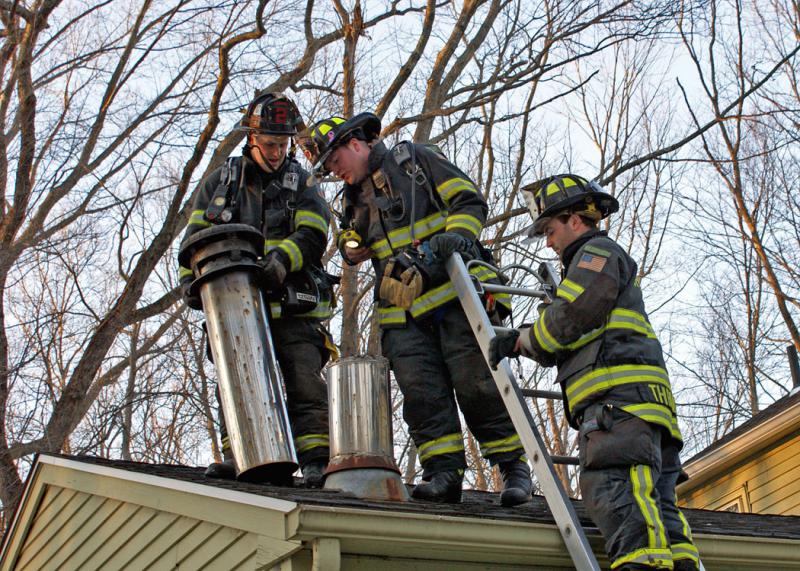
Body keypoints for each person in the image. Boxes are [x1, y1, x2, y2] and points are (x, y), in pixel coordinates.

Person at [299, 112, 533, 506]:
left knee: (479, 389)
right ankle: (443, 474)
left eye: (335, 162)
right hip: (401, 316)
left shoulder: (416, 161)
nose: (334, 173)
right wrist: (350, 245)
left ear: (354, 144)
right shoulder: (353, 199)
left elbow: (469, 200)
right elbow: (354, 238)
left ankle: (514, 469)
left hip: (455, 301)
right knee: (423, 398)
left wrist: (453, 238)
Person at [489, 174, 700, 570]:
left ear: (575, 220)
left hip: (618, 410)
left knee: (616, 493)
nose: (548, 243)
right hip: (642, 412)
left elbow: (571, 316)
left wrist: (520, 341)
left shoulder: (596, 255)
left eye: (550, 230)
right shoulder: (594, 265)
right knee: (660, 514)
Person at [179, 92, 334, 488]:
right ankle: (241, 456)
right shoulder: (221, 183)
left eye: (283, 144)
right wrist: (189, 283)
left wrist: (281, 261)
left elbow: (314, 232)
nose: (278, 152)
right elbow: (194, 239)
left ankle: (316, 460)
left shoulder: (302, 182)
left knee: (304, 381)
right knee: (235, 379)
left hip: (293, 306)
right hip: (235, 309)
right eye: (270, 144)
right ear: (251, 139)